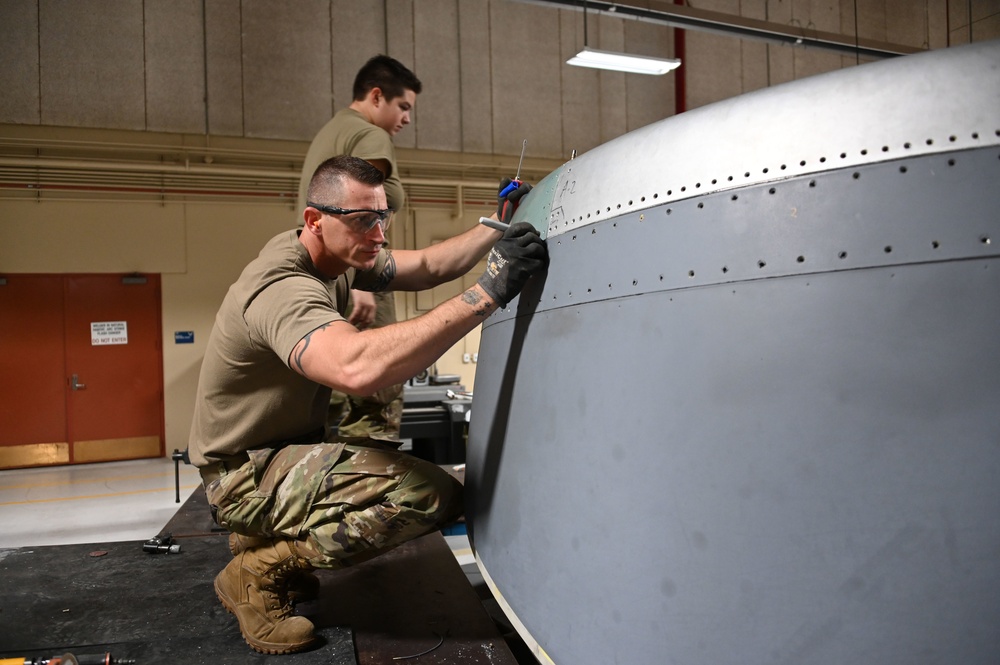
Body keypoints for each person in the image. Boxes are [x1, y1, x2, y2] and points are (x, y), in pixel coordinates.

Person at [188, 155, 545, 654]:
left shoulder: (331, 254)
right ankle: (256, 570)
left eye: (382, 218)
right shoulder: (282, 289)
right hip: (242, 475)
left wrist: (496, 227)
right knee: (427, 494)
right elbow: (356, 368)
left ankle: (263, 538)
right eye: (364, 220)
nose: (378, 235)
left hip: (272, 454)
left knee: (379, 462)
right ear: (316, 219)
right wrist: (489, 293)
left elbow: (427, 266)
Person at [297, 54, 420, 441]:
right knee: (377, 392)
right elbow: (362, 209)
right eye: (403, 106)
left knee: (328, 394)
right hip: (357, 274)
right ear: (376, 96)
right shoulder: (371, 136)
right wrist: (365, 283)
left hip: (324, 277)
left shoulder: (331, 131)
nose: (407, 119)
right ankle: (368, 492)